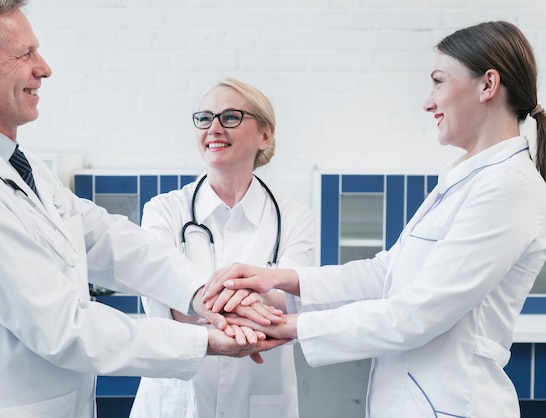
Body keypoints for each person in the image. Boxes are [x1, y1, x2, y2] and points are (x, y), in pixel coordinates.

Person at [0, 2, 287, 418]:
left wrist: (203, 293)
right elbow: (64, 328)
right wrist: (203, 342)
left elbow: (103, 237)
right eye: (24, 54)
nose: (44, 68)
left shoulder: (16, 165)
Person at [203, 21, 546, 418]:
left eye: (438, 81)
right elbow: (387, 273)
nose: (428, 102)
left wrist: (291, 326)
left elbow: (418, 313)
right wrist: (280, 279)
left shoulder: (509, 187)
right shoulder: (464, 179)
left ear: (488, 85)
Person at [130, 78, 315, 418]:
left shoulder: (294, 217)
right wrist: (256, 300)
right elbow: (160, 297)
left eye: (230, 117)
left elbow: (290, 304)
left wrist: (198, 303)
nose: (213, 128)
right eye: (204, 118)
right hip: (176, 399)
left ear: (265, 134)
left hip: (259, 396)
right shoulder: (165, 211)